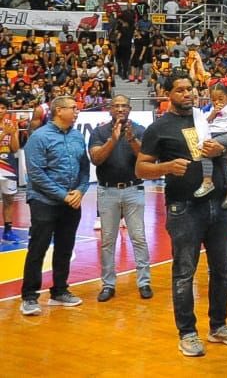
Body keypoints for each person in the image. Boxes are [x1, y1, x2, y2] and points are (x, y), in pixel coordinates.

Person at [137, 72, 227, 356]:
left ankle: (218, 326)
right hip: (184, 208)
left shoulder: (205, 119)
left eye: (191, 89)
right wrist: (166, 168)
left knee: (222, 271)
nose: (188, 93)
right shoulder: (159, 128)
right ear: (167, 93)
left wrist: (223, 147)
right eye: (181, 89)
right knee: (185, 273)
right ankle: (187, 332)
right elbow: (141, 168)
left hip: (219, 206)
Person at [19, 96, 90, 316]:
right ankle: (29, 296)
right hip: (44, 201)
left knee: (65, 247)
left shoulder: (78, 136)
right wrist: (63, 195)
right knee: (38, 247)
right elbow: (36, 174)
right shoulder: (39, 137)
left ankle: (59, 291)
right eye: (73, 108)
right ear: (59, 110)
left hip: (72, 200)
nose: (77, 111)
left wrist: (80, 190)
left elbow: (85, 169)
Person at [88, 95, 151, 302]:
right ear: (110, 109)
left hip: (134, 188)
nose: (121, 109)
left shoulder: (140, 130)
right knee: (107, 240)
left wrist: (131, 139)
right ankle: (108, 284)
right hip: (107, 191)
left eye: (124, 106)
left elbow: (147, 158)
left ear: (130, 109)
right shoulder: (99, 131)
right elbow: (96, 159)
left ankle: (144, 282)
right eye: (117, 106)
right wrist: (113, 139)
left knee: (139, 237)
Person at [197, 83, 227, 208]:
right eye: (213, 99)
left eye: (220, 99)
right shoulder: (211, 109)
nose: (217, 102)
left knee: (206, 151)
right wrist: (213, 114)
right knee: (223, 163)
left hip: (226, 135)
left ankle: (207, 181)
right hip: (213, 135)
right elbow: (206, 122)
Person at [1, 107, 21, 242]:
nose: (0, 110)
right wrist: (4, 134)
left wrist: (13, 134)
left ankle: (8, 231)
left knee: (9, 199)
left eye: (2, 108)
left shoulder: (11, 124)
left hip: (8, 165)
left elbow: (15, 148)